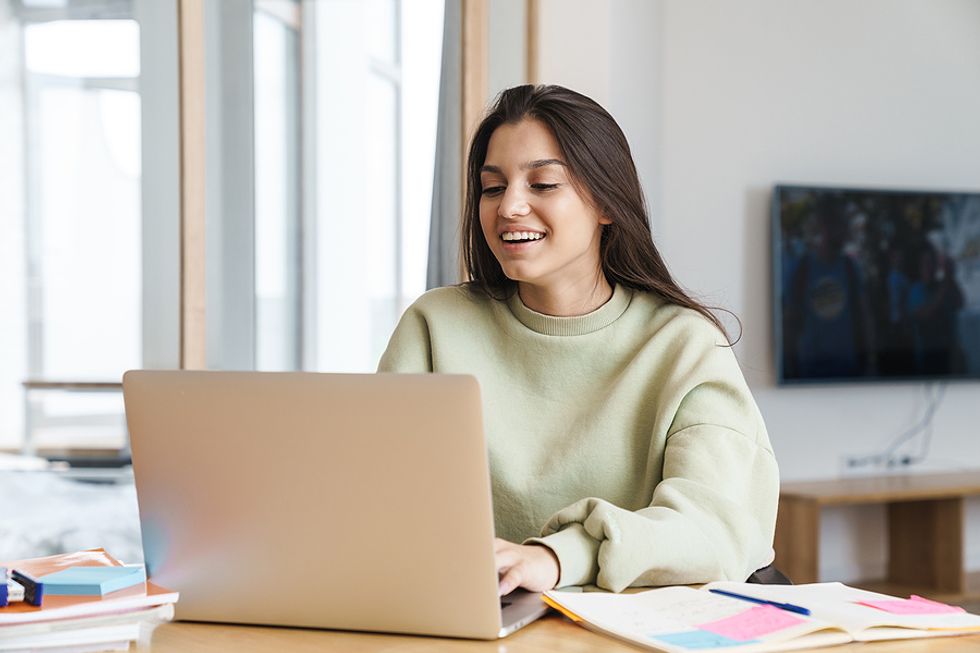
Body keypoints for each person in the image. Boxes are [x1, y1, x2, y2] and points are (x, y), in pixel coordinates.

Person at [378, 85, 778, 595]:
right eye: (493, 188)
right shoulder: (434, 326)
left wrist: (558, 556)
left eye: (543, 184)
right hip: (471, 614)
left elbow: (716, 528)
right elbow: (381, 498)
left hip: (632, 629)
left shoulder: (684, 346)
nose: (510, 208)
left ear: (607, 203)